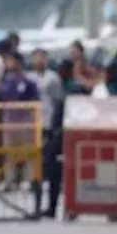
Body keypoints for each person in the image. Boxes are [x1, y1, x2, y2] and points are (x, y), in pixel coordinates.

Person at [0, 51, 40, 188]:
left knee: (28, 152)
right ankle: (10, 180)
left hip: (26, 122)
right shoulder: (6, 81)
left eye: (10, 61)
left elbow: (35, 101)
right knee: (10, 152)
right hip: (10, 121)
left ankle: (28, 180)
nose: (8, 64)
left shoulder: (28, 81)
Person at [42, 59, 76, 218]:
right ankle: (53, 207)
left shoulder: (74, 88)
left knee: (67, 174)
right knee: (54, 173)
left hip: (69, 133)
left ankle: (69, 208)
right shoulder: (61, 88)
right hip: (58, 133)